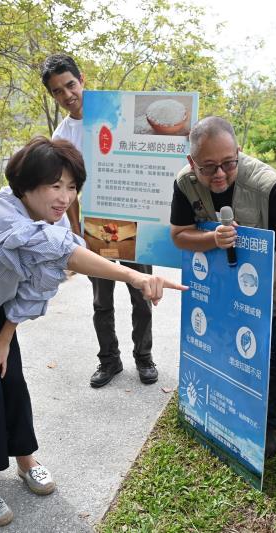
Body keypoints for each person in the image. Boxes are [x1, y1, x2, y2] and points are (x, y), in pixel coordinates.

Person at [0, 136, 185, 527]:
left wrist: (4, 337)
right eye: (55, 185)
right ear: (26, 185)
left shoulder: (51, 221)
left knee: (11, 380)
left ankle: (25, 459)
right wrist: (134, 277)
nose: (65, 197)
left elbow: (35, 286)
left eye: (71, 187)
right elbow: (60, 250)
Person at [169, 116, 276, 459]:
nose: (220, 174)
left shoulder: (265, 184)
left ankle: (270, 424)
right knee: (231, 346)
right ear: (192, 162)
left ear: (239, 152)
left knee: (273, 352)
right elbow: (179, 235)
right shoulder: (185, 184)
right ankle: (230, 408)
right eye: (208, 167)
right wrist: (212, 238)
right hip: (227, 290)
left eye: (229, 163)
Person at [41, 53, 158, 388]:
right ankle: (109, 360)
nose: (67, 95)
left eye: (70, 85)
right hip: (93, 228)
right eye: (58, 91)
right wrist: (77, 231)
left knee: (141, 294)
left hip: (133, 220)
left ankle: (144, 357)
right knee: (101, 301)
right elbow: (67, 190)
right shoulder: (61, 137)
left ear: (82, 80)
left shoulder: (115, 112)